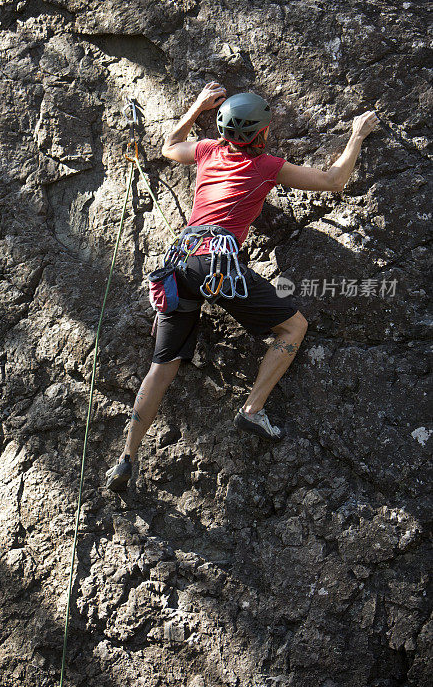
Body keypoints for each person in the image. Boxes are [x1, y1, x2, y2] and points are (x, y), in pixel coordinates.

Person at [105, 83, 379, 491]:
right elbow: (334, 179)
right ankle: (252, 410)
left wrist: (196, 105)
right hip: (216, 264)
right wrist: (357, 134)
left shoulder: (208, 151)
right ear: (262, 134)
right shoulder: (268, 166)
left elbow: (168, 146)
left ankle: (126, 457)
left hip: (180, 265)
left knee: (161, 366)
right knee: (293, 327)